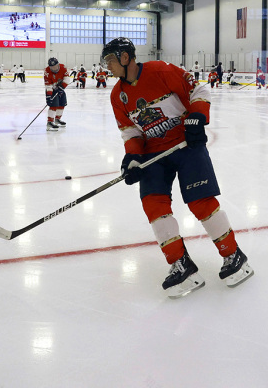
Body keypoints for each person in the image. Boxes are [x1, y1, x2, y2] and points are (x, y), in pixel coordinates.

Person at [101, 37, 253, 298]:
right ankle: (181, 264)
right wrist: (133, 159)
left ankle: (234, 255)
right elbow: (130, 131)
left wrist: (196, 116)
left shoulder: (161, 70)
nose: (108, 66)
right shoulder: (118, 96)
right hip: (154, 154)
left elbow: (200, 91)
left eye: (111, 60)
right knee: (153, 204)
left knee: (200, 201)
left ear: (126, 57)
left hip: (186, 144)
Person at [44, 57, 71, 130]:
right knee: (53, 105)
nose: (54, 68)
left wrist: (62, 87)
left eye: (55, 66)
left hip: (61, 87)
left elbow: (67, 78)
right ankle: (49, 122)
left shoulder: (63, 67)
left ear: (58, 64)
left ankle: (57, 119)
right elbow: (48, 85)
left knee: (62, 103)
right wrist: (49, 96)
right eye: (52, 67)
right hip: (52, 89)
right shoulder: (47, 71)